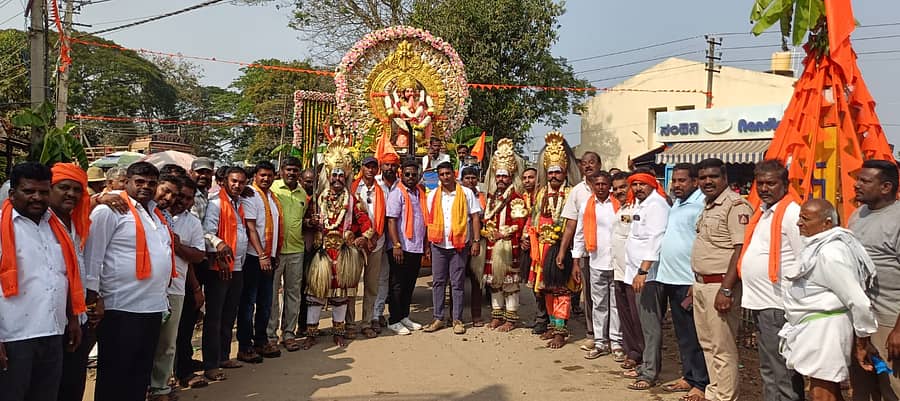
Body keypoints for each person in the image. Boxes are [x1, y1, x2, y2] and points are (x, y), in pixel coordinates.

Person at [85, 162, 174, 401]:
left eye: (151, 183)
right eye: (140, 182)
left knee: (140, 374)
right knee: (116, 374)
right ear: (127, 182)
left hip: (152, 307)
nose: (146, 187)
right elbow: (93, 256)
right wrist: (93, 297)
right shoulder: (110, 210)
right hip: (121, 307)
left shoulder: (155, 213)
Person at [0, 162, 84, 401]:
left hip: (53, 331)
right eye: (29, 191)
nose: (37, 197)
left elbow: (64, 276)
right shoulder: (2, 226)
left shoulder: (56, 226)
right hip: (13, 335)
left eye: (43, 191)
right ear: (12, 193)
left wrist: (73, 318)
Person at [785, 199, 878, 401]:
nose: (799, 223)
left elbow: (858, 300)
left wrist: (862, 340)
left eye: (805, 219)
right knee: (825, 390)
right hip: (816, 328)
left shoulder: (831, 252)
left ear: (826, 223)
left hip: (826, 330)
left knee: (822, 394)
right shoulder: (820, 245)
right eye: (800, 218)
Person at [633, 163, 708, 399]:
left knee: (695, 335)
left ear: (694, 182)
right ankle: (689, 377)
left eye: (682, 180)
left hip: (688, 279)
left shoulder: (701, 204)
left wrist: (696, 279)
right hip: (671, 278)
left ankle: (701, 383)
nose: (676, 185)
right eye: (674, 180)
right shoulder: (677, 203)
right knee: (683, 334)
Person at [737, 160, 805, 401]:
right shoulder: (764, 211)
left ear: (785, 184)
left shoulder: (792, 213)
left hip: (777, 303)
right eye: (760, 184)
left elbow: (803, 258)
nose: (764, 188)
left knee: (782, 369)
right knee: (768, 367)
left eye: (771, 183)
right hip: (760, 302)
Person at [691, 158, 753, 401]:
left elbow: (740, 250)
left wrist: (726, 290)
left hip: (720, 285)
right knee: (708, 344)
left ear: (725, 177)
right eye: (703, 177)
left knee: (722, 347)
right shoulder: (708, 205)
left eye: (713, 176)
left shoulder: (735, 206)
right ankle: (714, 393)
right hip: (702, 284)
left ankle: (726, 397)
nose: (708, 181)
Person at [301, 143, 373, 349]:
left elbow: (368, 226)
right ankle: (311, 334)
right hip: (321, 253)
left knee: (341, 296)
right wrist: (311, 222)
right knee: (315, 294)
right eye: (334, 175)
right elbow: (304, 222)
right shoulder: (317, 199)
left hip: (343, 255)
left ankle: (339, 333)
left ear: (346, 176)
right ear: (328, 175)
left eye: (341, 175)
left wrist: (362, 238)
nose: (338, 179)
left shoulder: (353, 201)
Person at [149, 176, 205, 401]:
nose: (179, 200)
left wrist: (179, 246)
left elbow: (196, 257)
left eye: (187, 198)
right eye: (177, 195)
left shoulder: (191, 222)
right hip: (149, 289)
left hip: (176, 288)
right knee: (146, 341)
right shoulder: (152, 214)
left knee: (167, 343)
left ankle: (160, 388)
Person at [848, 159, 900, 400]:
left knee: (892, 389)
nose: (856, 185)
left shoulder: (897, 220)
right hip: (862, 319)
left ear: (886, 187)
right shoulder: (858, 215)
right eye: (858, 179)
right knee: (863, 389)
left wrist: (898, 330)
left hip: (889, 319)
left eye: (865, 181)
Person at [53, 163, 102, 401]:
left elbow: (84, 267)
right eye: (64, 187)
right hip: (50, 322)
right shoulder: (40, 224)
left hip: (78, 317)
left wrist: (92, 301)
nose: (71, 194)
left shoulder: (78, 223)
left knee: (73, 383)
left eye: (76, 189)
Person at [526, 131, 578, 349]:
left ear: (565, 172)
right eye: (551, 172)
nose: (554, 176)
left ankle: (560, 331)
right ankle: (552, 324)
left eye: (558, 172)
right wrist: (528, 237)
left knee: (561, 290)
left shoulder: (572, 193)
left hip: (562, 248)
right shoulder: (540, 194)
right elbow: (534, 218)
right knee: (545, 289)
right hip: (542, 249)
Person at [201, 166, 251, 382]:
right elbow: (206, 233)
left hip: (237, 266)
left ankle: (223, 356)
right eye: (234, 181)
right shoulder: (215, 203)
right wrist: (219, 246)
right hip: (219, 267)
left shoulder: (239, 203)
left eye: (241, 182)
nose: (237, 185)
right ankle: (211, 364)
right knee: (215, 317)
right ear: (224, 181)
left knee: (229, 314)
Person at [424, 161, 483, 335]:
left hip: (459, 245)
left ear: (454, 174)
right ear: (438, 176)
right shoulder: (433, 195)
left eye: (448, 173)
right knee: (438, 282)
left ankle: (457, 319)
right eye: (442, 174)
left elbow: (475, 217)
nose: (445, 177)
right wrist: (427, 245)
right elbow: (429, 221)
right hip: (438, 245)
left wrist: (476, 241)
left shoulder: (466, 193)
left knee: (457, 283)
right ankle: (438, 318)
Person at [571, 171, 622, 359]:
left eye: (604, 184)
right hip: (596, 262)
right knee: (599, 304)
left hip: (617, 263)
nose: (600, 187)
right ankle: (600, 342)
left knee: (616, 304)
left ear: (609, 186)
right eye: (597, 184)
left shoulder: (619, 204)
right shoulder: (587, 205)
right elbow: (580, 234)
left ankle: (616, 342)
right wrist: (576, 261)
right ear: (593, 186)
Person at [237, 162, 282, 362]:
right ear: (255, 175)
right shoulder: (250, 195)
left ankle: (261, 341)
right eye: (262, 175)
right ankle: (245, 346)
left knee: (266, 302)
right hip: (254, 257)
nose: (266, 178)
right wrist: (262, 255)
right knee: (248, 303)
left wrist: (273, 254)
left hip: (268, 256)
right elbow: (251, 228)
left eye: (270, 175)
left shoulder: (272, 197)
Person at [482, 139, 528, 332]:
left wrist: (503, 233)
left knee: (510, 284)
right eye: (498, 176)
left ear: (510, 177)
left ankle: (511, 318)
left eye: (504, 176)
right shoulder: (492, 198)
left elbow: (520, 223)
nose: (501, 179)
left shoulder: (516, 198)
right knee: (494, 283)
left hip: (509, 246)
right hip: (492, 246)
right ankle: (496, 316)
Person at [267, 157, 308, 352]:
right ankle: (270, 335)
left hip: (296, 250)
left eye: (295, 170)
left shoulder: (303, 194)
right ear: (281, 171)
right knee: (272, 294)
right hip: (275, 251)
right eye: (288, 169)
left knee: (293, 294)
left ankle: (289, 333)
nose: (291, 173)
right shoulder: (272, 189)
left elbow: (304, 217)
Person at [559, 151, 601, 346]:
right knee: (590, 295)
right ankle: (593, 333)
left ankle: (613, 336)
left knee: (612, 297)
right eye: (584, 163)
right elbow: (571, 225)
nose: (588, 166)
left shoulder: (608, 187)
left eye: (592, 162)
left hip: (610, 251)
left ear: (599, 165)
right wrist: (563, 251)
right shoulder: (577, 191)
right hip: (586, 251)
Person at [385, 158, 429, 335]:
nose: (411, 177)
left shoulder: (420, 193)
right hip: (401, 246)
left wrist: (425, 244)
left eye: (414, 174)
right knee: (397, 284)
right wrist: (396, 245)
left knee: (410, 283)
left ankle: (404, 316)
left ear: (418, 176)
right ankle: (393, 319)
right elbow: (391, 221)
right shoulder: (397, 193)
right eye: (407, 174)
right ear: (401, 174)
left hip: (416, 246)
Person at [350, 156, 390, 339]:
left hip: (376, 242)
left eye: (374, 167)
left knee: (371, 285)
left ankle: (367, 322)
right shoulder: (352, 188)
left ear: (377, 170)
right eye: (367, 166)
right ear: (362, 168)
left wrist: (373, 237)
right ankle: (349, 323)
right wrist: (360, 237)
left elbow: (386, 217)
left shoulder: (382, 190)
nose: (370, 170)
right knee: (351, 286)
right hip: (356, 243)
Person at [372, 151, 401, 330]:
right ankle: (370, 316)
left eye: (393, 165)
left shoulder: (402, 184)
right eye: (387, 165)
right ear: (381, 166)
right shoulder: (374, 183)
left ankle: (377, 313)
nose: (390, 168)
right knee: (372, 276)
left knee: (385, 276)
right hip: (375, 236)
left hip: (396, 238)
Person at [609, 171, 631, 364]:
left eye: (623, 187)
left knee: (635, 316)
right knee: (625, 314)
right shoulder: (621, 209)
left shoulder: (637, 209)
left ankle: (640, 356)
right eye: (615, 189)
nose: (618, 191)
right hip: (619, 270)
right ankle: (632, 352)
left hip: (633, 273)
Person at [460, 166, 486, 326]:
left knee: (477, 280)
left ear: (478, 179)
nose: (470, 181)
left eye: (473, 178)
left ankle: (476, 315)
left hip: (478, 242)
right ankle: (455, 316)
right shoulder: (457, 194)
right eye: (467, 178)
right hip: (460, 243)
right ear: (462, 180)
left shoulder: (482, 197)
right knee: (457, 280)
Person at [190, 157, 215, 222]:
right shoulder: (189, 196)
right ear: (191, 172)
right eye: (200, 172)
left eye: (208, 172)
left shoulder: (206, 193)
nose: (204, 176)